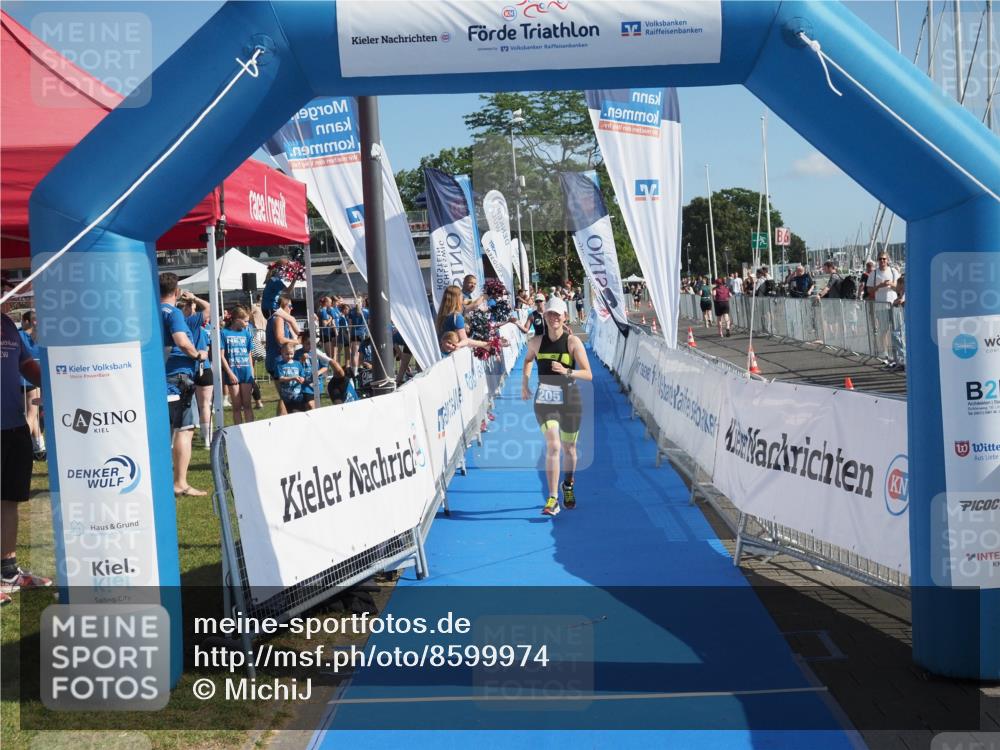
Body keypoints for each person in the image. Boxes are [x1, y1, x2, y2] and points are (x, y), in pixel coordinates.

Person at [521, 296, 593, 517]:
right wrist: (525, 383)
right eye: (550, 313)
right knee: (553, 446)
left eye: (558, 314)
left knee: (569, 449)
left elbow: (588, 374)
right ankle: (552, 498)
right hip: (545, 399)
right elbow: (528, 360)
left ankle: (568, 484)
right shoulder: (536, 342)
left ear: (565, 317)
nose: (554, 317)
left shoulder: (573, 342)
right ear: (545, 316)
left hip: (570, 398)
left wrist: (567, 371)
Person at [1, 312, 50, 604]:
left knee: (10, 500)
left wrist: (58, 382)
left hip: (14, 425)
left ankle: (8, 571)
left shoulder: (7, 323)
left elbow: (25, 364)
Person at [160, 273, 208, 497]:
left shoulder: (150, 312)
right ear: (177, 292)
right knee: (185, 429)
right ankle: (179, 482)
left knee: (163, 431)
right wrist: (198, 354)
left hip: (158, 377)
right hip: (178, 378)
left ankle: (162, 480)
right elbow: (181, 340)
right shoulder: (173, 313)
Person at [179, 293, 213, 449]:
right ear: (186, 308)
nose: (194, 309)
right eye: (192, 306)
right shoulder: (191, 321)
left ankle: (178, 439)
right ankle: (207, 440)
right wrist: (194, 298)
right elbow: (208, 307)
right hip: (201, 366)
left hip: (185, 368)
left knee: (184, 405)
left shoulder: (177, 324)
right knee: (204, 404)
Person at [220, 305, 256, 426]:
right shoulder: (224, 333)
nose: (247, 324)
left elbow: (249, 354)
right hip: (232, 372)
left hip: (246, 372)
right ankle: (238, 431)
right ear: (237, 319)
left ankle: (251, 430)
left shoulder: (246, 334)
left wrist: (252, 374)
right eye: (245, 321)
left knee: (247, 404)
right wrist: (229, 373)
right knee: (236, 406)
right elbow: (221, 356)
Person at [265, 294, 298, 416]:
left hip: (277, 359)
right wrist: (297, 341)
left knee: (285, 395)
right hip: (277, 360)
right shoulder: (278, 318)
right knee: (285, 396)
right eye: (290, 306)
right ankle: (282, 422)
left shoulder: (281, 319)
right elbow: (280, 339)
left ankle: (282, 421)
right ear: (283, 307)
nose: (291, 308)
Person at [18, 311, 44, 460]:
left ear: (25, 321)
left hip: (21, 379)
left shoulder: (19, 335)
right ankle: (21, 445)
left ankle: (39, 448)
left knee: (31, 415)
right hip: (32, 380)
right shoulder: (37, 336)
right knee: (31, 415)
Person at [435, 285, 491, 352]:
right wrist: (485, 344)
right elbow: (465, 341)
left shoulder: (441, 314)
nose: (463, 298)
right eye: (461, 295)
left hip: (439, 353)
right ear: (458, 298)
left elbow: (474, 305)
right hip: (451, 354)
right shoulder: (457, 316)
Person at [295, 332, 327, 410]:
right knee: (310, 405)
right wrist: (301, 360)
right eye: (308, 344)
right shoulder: (297, 353)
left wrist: (318, 372)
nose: (310, 346)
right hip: (304, 384)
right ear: (302, 343)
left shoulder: (318, 352)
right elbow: (295, 368)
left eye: (313, 344)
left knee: (315, 407)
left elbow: (325, 367)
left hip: (317, 384)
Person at [276, 342, 308, 413]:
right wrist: (293, 378)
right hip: (287, 396)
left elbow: (302, 375)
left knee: (299, 412)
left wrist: (302, 379)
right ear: (282, 353)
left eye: (291, 354)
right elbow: (281, 379)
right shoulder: (280, 365)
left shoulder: (298, 364)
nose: (289, 356)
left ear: (294, 353)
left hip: (298, 395)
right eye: (287, 354)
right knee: (292, 412)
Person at [347, 297, 369, 376]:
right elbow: (369, 324)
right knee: (362, 353)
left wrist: (349, 335)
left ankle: (355, 371)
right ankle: (361, 369)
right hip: (364, 334)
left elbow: (350, 325)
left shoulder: (351, 312)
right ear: (361, 302)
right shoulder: (366, 311)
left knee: (355, 354)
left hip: (355, 334)